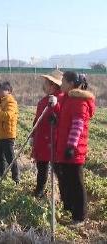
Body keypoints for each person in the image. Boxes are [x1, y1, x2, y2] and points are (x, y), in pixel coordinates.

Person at [54, 71, 95, 224]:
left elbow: (77, 126)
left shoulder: (79, 101)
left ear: (71, 83)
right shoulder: (67, 99)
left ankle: (80, 216)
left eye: (63, 81)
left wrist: (71, 146)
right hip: (65, 147)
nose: (61, 83)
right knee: (66, 180)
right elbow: (64, 119)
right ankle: (69, 209)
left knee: (76, 183)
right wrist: (56, 119)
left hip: (74, 150)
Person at [31, 70, 64, 198]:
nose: (43, 85)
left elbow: (64, 117)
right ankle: (39, 190)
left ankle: (64, 196)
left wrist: (56, 107)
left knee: (59, 171)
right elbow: (37, 119)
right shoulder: (44, 100)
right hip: (42, 140)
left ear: (53, 85)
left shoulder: (61, 99)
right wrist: (33, 135)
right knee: (42, 168)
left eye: (46, 83)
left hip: (54, 140)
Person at [0, 81, 19, 183]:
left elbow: (6, 116)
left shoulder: (11, 102)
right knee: (0, 159)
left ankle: (16, 179)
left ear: (9, 91)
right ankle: (0, 177)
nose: (0, 91)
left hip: (7, 135)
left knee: (10, 159)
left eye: (3, 89)